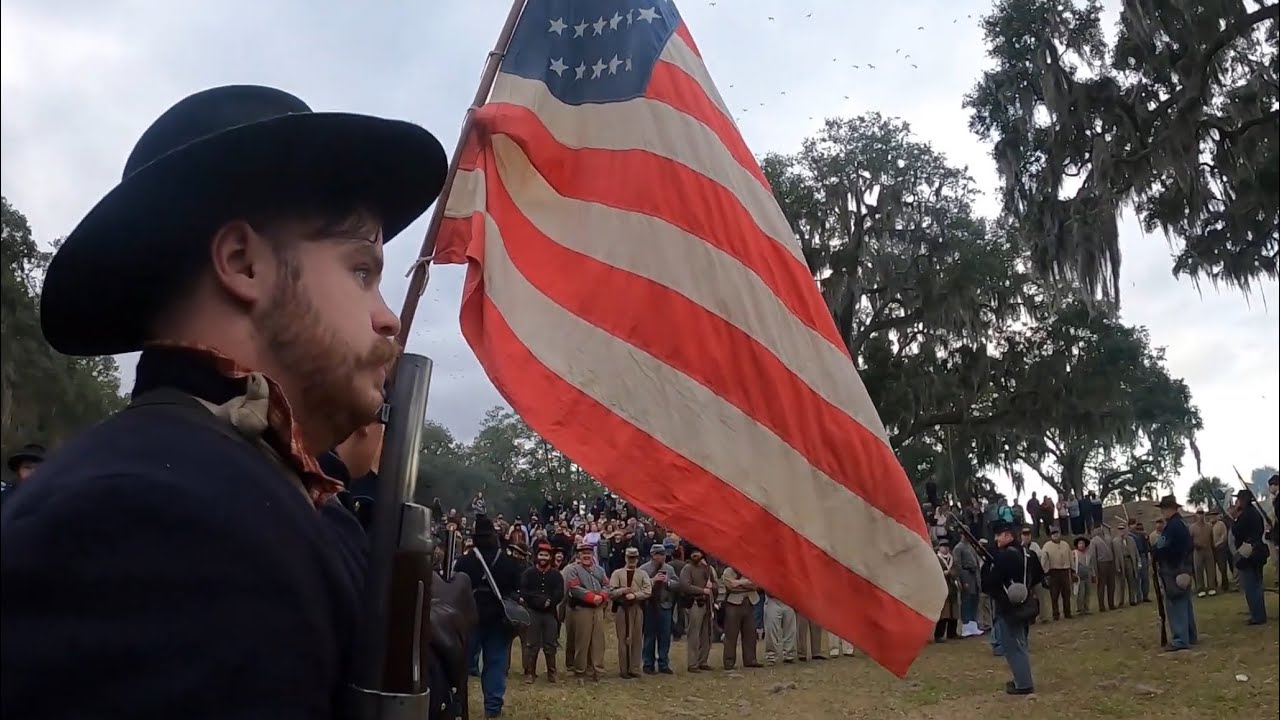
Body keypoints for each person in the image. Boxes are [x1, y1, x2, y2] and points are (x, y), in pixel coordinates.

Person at [0, 85, 447, 718]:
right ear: (243, 264)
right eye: (361, 271)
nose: (388, 319)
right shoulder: (143, 523)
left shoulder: (286, 503)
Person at [455, 515, 523, 718]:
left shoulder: (464, 561)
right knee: (495, 664)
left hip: (470, 617)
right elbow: (516, 589)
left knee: (461, 665)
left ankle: (457, 704)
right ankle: (493, 708)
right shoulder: (508, 561)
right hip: (498, 619)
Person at [981, 520, 1043, 695]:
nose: (996, 539)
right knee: (1020, 643)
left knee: (1014, 647)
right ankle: (1020, 680)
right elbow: (1037, 576)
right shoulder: (1028, 553)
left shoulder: (1005, 556)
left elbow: (989, 582)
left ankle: (1023, 684)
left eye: (998, 535)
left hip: (1009, 607)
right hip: (1024, 603)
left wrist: (988, 564)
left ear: (1008, 535)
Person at [1152, 494, 1198, 651]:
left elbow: (1162, 547)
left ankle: (1180, 638)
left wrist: (1155, 551)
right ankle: (1190, 635)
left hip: (1173, 568)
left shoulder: (1172, 526)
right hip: (1183, 566)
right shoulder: (1181, 524)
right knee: (1185, 603)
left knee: (1175, 602)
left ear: (1168, 509)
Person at [1229, 489, 1270, 625]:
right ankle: (1259, 614)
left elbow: (1237, 531)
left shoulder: (1245, 515)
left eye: (1238, 499)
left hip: (1249, 554)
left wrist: (1233, 519)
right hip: (1257, 552)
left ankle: (1257, 616)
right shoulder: (1255, 513)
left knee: (1251, 586)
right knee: (1256, 585)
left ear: (1243, 500)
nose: (1236, 502)